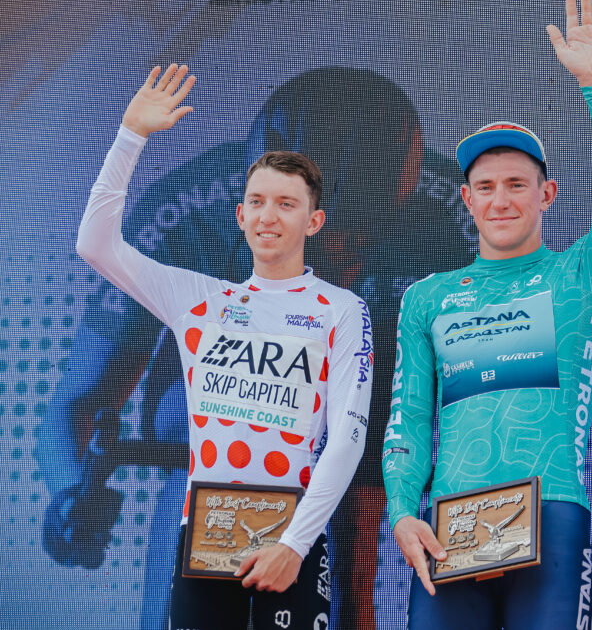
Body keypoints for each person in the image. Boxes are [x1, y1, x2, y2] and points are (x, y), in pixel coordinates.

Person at [37, 66, 474, 629]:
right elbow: (80, 403)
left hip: (342, 460)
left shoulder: (442, 222)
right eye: (317, 234)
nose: (335, 255)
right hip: (209, 477)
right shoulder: (184, 222)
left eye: (357, 238)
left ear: (405, 184)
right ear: (245, 212)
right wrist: (75, 487)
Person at [382, 0, 592, 628]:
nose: (500, 199)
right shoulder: (429, 296)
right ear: (467, 199)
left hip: (551, 510)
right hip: (451, 524)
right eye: (485, 187)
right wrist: (401, 510)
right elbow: (409, 421)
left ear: (547, 193)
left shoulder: (581, 274)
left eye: (516, 185)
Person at [75, 64, 373, 629]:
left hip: (294, 540)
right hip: (205, 537)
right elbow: (94, 244)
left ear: (315, 220)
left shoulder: (340, 308)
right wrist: (130, 135)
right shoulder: (198, 299)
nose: (269, 215)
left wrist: (296, 542)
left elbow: (347, 437)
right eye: (257, 202)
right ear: (239, 216)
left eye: (286, 204)